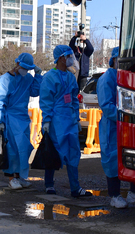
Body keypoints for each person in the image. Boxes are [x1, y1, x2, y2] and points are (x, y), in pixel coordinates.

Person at [97, 47, 135, 208]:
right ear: (113, 60)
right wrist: (124, 116)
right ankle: (114, 195)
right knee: (112, 159)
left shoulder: (126, 77)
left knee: (134, 157)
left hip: (127, 125)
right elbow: (106, 105)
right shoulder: (107, 79)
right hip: (112, 126)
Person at [40, 45, 93, 197]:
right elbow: (46, 101)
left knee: (73, 153)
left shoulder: (70, 77)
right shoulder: (49, 77)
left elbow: (74, 99)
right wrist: (47, 120)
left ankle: (75, 188)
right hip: (56, 120)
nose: (71, 59)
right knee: (53, 151)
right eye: (69, 56)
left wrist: (76, 118)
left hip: (69, 119)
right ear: (61, 58)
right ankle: (49, 184)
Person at [0, 53, 43, 189]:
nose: (25, 70)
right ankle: (11, 178)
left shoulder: (27, 78)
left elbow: (34, 92)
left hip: (23, 118)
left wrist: (38, 76)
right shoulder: (6, 79)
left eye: (28, 68)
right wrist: (0, 120)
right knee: (12, 150)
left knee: (25, 148)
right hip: (10, 118)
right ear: (17, 64)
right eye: (24, 67)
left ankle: (20, 176)